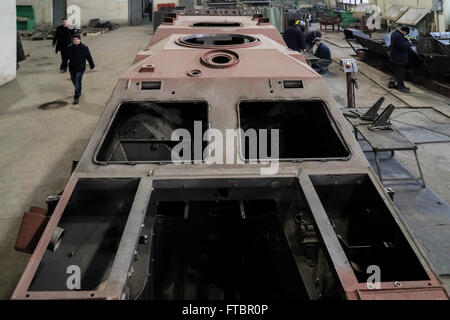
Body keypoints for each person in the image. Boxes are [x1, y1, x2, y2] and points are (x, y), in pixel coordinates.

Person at [62, 34, 95, 105]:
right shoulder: (69, 48)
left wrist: (92, 65)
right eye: (74, 39)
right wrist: (63, 66)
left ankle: (76, 97)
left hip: (81, 68)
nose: (76, 41)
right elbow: (65, 58)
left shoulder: (84, 48)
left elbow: (89, 57)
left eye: (77, 39)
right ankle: (78, 90)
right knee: (74, 80)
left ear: (80, 40)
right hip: (72, 68)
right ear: (73, 41)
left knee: (78, 82)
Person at [388, 26, 412, 92]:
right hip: (399, 58)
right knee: (400, 73)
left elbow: (398, 43)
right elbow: (402, 46)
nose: (405, 35)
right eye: (405, 33)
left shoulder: (395, 33)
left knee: (395, 72)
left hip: (394, 57)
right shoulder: (398, 36)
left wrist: (405, 39)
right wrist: (409, 43)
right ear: (404, 31)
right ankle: (401, 87)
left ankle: (391, 84)